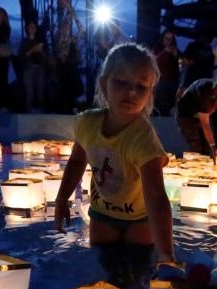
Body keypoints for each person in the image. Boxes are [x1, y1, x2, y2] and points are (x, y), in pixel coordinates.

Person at [54, 43, 174, 264]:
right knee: (103, 270)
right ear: (103, 83)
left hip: (140, 220)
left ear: (150, 93)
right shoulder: (87, 123)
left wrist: (166, 254)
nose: (130, 92)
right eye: (121, 82)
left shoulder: (143, 137)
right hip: (102, 216)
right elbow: (77, 161)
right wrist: (61, 198)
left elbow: (156, 197)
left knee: (137, 272)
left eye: (141, 86)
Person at [176, 70, 217, 162]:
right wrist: (212, 146)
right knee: (198, 147)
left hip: (200, 117)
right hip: (186, 116)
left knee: (207, 149)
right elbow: (205, 123)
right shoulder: (206, 91)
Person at [19, 19, 46, 113]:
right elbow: (22, 56)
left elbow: (45, 56)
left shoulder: (39, 40)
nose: (32, 29)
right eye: (31, 27)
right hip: (28, 68)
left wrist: (40, 50)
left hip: (39, 68)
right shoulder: (24, 41)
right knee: (29, 93)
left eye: (34, 27)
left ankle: (41, 113)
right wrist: (33, 50)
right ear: (27, 29)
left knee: (40, 92)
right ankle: (28, 113)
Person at [154, 30, 179, 116]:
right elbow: (154, 60)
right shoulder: (157, 49)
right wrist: (165, 52)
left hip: (173, 82)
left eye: (171, 39)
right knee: (162, 102)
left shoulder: (175, 50)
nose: (169, 41)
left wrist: (176, 56)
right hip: (160, 82)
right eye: (167, 38)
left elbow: (181, 63)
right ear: (162, 39)